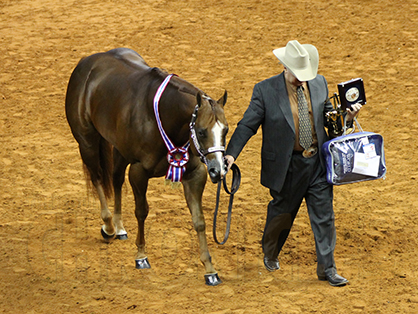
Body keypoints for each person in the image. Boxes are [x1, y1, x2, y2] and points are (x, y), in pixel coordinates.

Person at [224, 40, 362, 287]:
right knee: (282, 216)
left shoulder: (318, 83)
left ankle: (327, 269)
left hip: (317, 163)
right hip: (288, 168)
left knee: (324, 217)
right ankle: (271, 251)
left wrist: (347, 119)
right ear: (284, 67)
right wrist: (231, 154)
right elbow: (247, 125)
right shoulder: (264, 90)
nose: (302, 79)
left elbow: (330, 123)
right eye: (297, 75)